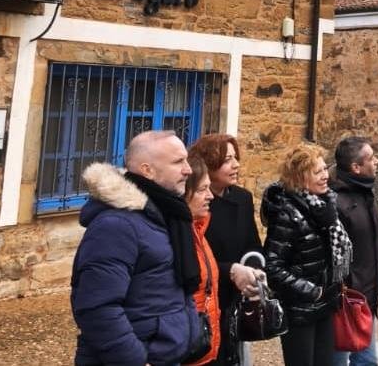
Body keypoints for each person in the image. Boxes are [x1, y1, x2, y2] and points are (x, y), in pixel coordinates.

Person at [71, 130, 203, 366]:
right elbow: (97, 307)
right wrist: (135, 360)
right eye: (178, 162)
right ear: (147, 170)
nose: (188, 170)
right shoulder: (116, 225)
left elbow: (176, 288)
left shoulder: (167, 215)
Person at [262, 144, 353, 366]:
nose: (325, 176)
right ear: (301, 177)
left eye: (325, 169)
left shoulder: (326, 206)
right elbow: (272, 267)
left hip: (326, 306)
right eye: (318, 172)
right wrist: (312, 291)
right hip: (300, 311)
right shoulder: (287, 213)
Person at [188, 133, 264, 366]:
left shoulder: (242, 198)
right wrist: (231, 269)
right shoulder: (194, 205)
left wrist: (253, 273)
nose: (236, 165)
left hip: (235, 298)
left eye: (235, 158)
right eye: (227, 160)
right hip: (206, 301)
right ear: (208, 165)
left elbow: (252, 244)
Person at [332, 137, 378, 366]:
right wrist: (345, 292)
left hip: (366, 300)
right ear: (356, 167)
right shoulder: (336, 202)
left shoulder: (366, 195)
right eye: (371, 158)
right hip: (346, 302)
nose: (376, 161)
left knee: (367, 361)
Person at [186, 157, 222, 365]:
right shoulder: (177, 237)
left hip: (203, 347)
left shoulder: (198, 230)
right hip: (186, 350)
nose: (210, 196)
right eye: (202, 190)